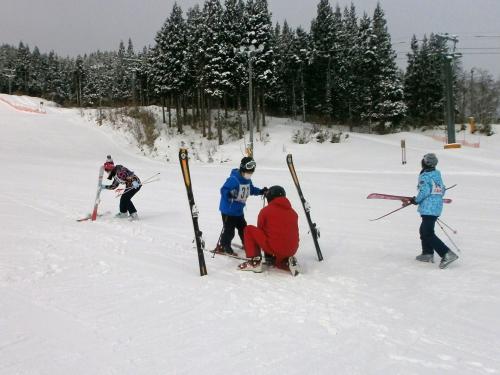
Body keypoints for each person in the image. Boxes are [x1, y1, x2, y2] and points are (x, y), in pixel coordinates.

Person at [405, 153, 458, 269]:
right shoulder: (437, 174)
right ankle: (427, 253)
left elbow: (424, 191)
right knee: (423, 230)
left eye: (423, 160)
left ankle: (447, 253)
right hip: (436, 207)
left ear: (426, 163)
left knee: (428, 232)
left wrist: (416, 200)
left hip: (428, 208)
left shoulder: (425, 176)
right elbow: (442, 189)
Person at [238, 185, 300, 276]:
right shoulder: (293, 212)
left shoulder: (266, 211)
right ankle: (285, 261)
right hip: (292, 249)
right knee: (283, 238)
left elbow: (260, 230)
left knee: (249, 229)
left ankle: (255, 262)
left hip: (275, 247)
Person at [216, 156, 267, 255]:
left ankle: (247, 244)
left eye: (251, 173)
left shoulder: (247, 180)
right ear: (242, 170)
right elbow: (223, 190)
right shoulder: (233, 179)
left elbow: (251, 189)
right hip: (228, 211)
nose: (249, 175)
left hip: (239, 211)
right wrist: (229, 194)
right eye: (248, 173)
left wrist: (261, 191)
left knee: (244, 229)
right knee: (229, 231)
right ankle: (224, 245)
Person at [101, 155, 141, 221]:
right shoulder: (115, 176)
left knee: (126, 198)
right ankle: (123, 213)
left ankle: (134, 215)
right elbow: (114, 186)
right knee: (123, 198)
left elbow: (129, 174)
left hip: (135, 184)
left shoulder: (120, 170)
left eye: (107, 171)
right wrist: (104, 187)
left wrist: (134, 181)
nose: (107, 173)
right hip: (129, 185)